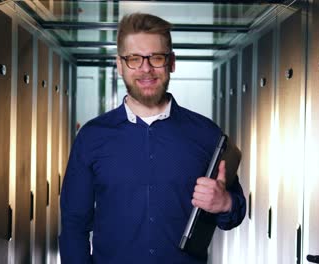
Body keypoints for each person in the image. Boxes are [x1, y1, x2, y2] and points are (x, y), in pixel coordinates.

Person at [59, 12, 246, 264]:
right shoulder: (91, 137)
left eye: (156, 58)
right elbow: (73, 226)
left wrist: (225, 204)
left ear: (171, 62)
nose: (146, 69)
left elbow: (235, 210)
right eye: (134, 59)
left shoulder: (206, 134)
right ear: (119, 65)